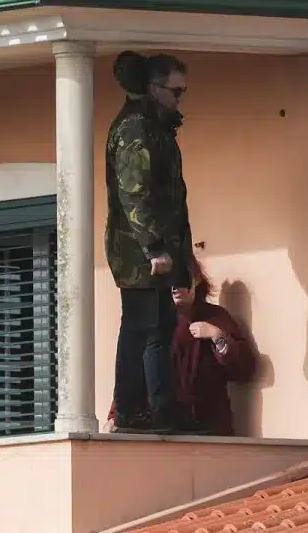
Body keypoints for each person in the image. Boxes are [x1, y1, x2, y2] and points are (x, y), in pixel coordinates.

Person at [105, 51, 195, 432]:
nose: (179, 99)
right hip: (139, 252)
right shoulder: (136, 130)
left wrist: (180, 255)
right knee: (146, 328)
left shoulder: (154, 129)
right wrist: (154, 247)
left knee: (154, 326)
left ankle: (153, 407)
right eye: (175, 91)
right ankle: (142, 408)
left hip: (155, 250)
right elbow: (134, 192)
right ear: (154, 88)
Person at [106, 262, 257, 437]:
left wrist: (217, 336)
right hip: (163, 431)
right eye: (168, 282)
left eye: (181, 280)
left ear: (196, 280)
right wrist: (114, 416)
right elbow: (131, 374)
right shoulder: (150, 321)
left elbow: (245, 369)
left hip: (208, 430)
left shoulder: (216, 317)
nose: (174, 288)